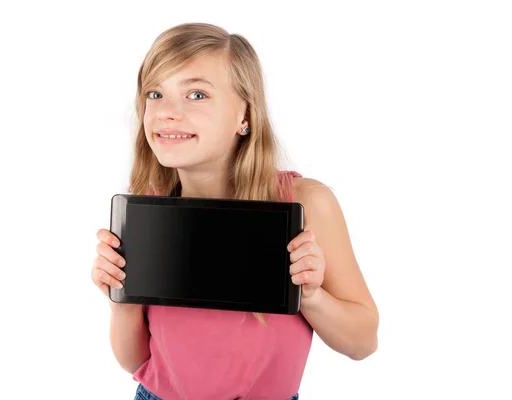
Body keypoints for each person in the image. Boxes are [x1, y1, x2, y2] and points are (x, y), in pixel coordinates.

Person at [91, 22, 379, 400]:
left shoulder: (304, 204)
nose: (167, 112)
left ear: (245, 114)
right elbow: (135, 362)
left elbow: (363, 342)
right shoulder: (149, 209)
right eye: (155, 93)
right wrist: (120, 297)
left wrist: (310, 295)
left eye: (196, 94)